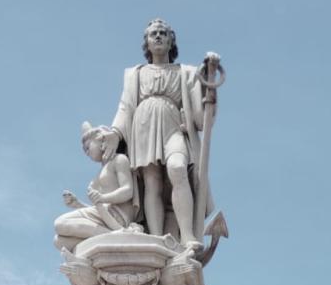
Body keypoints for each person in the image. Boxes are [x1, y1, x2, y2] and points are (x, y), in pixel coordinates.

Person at [107, 18, 217, 248]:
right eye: (153, 34)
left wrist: (209, 89)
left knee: (177, 168)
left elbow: (200, 119)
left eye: (163, 33)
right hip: (143, 127)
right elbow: (125, 107)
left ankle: (187, 234)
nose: (158, 36)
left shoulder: (186, 73)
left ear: (170, 42)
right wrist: (115, 133)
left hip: (174, 127)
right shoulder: (135, 74)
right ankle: (157, 239)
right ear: (147, 42)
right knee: (152, 182)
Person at [53, 123, 140, 250]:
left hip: (118, 215)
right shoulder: (99, 173)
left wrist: (102, 198)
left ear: (101, 139)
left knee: (60, 223)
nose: (87, 152)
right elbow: (100, 208)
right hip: (104, 215)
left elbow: (128, 191)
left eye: (88, 147)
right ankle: (111, 236)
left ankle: (117, 235)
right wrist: (77, 204)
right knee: (59, 241)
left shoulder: (119, 160)